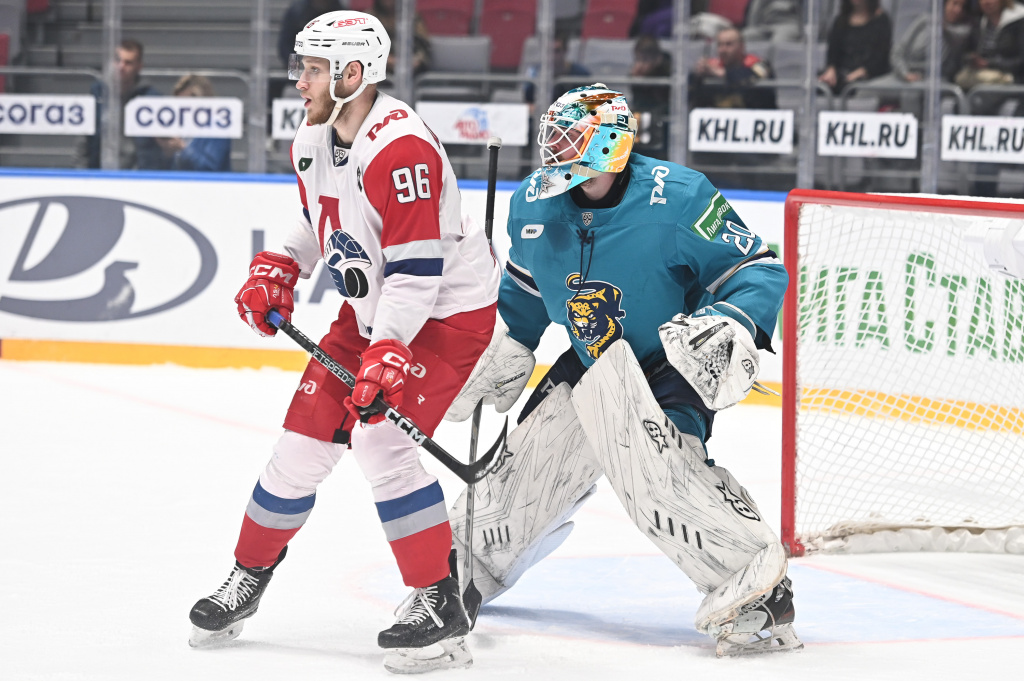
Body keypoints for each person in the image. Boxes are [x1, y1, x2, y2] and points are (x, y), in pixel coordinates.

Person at [187, 11, 500, 674]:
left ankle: (438, 602)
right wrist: (284, 263)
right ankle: (247, 575)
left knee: (382, 443)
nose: (298, 81)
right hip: (373, 313)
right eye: (300, 67)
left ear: (353, 74)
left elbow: (418, 273)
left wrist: (389, 350)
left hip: (444, 315)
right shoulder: (314, 134)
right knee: (298, 448)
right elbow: (319, 216)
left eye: (312, 69)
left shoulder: (401, 150)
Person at [440, 84, 801, 657]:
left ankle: (758, 589)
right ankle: (465, 569)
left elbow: (755, 269)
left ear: (609, 143)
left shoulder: (678, 197)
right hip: (590, 358)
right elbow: (526, 290)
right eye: (552, 138)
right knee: (523, 475)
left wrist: (732, 320)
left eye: (569, 139)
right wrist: (506, 344)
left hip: (668, 363)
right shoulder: (533, 202)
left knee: (657, 474)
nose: (553, 151)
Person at [74, 38, 166, 170]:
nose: (121, 67)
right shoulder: (98, 93)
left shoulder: (151, 99)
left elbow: (159, 149)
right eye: (117, 60)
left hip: (138, 175)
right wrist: (82, 174)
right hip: (99, 172)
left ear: (139, 67)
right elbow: (84, 140)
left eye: (128, 63)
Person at [156, 74, 232, 172]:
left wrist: (183, 149)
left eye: (186, 104)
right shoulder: (179, 125)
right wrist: (167, 152)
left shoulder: (218, 127)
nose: (181, 110)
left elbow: (211, 168)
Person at [819, 0, 893, 94]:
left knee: (853, 88)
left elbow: (881, 55)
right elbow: (833, 52)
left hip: (869, 76)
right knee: (822, 86)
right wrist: (831, 70)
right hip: (843, 74)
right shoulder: (840, 21)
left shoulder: (881, 20)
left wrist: (861, 72)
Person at [887, 0, 971, 84]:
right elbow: (898, 51)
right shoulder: (924, 21)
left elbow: (956, 36)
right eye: (954, 4)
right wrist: (905, 74)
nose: (958, 10)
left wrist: (940, 23)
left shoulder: (962, 32)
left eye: (963, 7)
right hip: (903, 76)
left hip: (936, 82)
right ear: (944, 4)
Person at [693, 26, 777, 109]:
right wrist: (699, 74)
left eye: (729, 44)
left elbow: (750, 76)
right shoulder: (712, 66)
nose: (723, 50)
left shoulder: (762, 64)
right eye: (720, 45)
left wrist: (721, 73)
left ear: (741, 46)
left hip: (755, 112)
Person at [956, 0, 1024, 91]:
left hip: (1012, 80)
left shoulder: (1018, 22)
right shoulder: (978, 23)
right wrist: (971, 58)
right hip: (981, 78)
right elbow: (967, 51)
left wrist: (989, 64)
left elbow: (1020, 61)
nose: (986, 2)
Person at [628, 35, 671, 158]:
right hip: (643, 119)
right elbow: (639, 100)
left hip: (664, 123)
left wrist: (648, 80)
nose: (640, 64)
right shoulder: (636, 73)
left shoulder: (669, 72)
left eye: (645, 59)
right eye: (638, 59)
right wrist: (636, 80)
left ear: (657, 59)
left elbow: (664, 99)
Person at [523, 32, 591, 107]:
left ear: (565, 51)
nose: (552, 56)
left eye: (556, 51)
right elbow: (528, 103)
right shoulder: (535, 73)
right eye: (548, 51)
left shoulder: (581, 74)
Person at [373, 0, 433, 77]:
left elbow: (424, 46)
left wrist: (415, 61)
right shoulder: (370, 18)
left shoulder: (412, 17)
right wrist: (387, 60)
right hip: (379, 69)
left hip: (412, 69)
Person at [276, 0, 343, 68]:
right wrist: (296, 64)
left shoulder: (341, 14)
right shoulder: (297, 11)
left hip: (331, 65)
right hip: (301, 64)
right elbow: (285, 43)